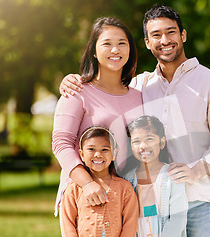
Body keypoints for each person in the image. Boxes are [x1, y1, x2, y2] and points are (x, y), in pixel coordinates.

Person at [60, 5, 210, 237]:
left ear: (183, 34)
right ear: (146, 42)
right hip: (151, 204)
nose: (164, 40)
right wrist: (72, 79)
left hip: (197, 199)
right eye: (156, 35)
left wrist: (196, 171)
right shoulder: (141, 85)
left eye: (171, 32)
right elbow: (105, 85)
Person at [52, 16, 143, 217]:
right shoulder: (77, 91)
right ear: (94, 50)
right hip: (85, 196)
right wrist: (87, 184)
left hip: (127, 198)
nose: (115, 50)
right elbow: (61, 143)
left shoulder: (138, 96)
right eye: (107, 44)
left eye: (122, 43)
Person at [60, 127, 139, 237]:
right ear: (81, 154)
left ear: (114, 153)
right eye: (91, 149)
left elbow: (130, 224)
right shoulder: (74, 189)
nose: (98, 154)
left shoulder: (124, 188)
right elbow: (67, 224)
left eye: (105, 149)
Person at [124, 115, 190, 237]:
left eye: (149, 139)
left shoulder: (172, 177)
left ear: (162, 143)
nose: (142, 146)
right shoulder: (126, 181)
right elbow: (123, 224)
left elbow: (178, 217)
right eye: (136, 141)